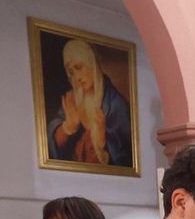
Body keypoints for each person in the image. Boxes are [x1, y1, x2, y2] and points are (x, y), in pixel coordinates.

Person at [48, 39, 133, 168]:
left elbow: (127, 158)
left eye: (78, 67)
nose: (77, 77)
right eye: (71, 72)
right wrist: (67, 127)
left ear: (92, 64)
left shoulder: (115, 103)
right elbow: (50, 148)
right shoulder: (72, 101)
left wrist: (103, 140)